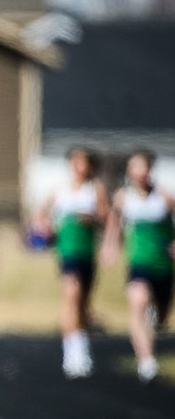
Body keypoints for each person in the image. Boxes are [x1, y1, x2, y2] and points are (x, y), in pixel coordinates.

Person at [33, 147, 108, 378]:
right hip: (67, 252)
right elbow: (40, 214)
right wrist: (46, 228)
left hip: (87, 252)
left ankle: (82, 347)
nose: (79, 166)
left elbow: (106, 217)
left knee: (83, 303)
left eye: (83, 162)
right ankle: (72, 353)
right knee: (71, 296)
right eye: (75, 162)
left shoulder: (95, 189)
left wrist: (92, 218)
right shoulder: (61, 190)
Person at [101, 149, 175, 383]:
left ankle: (157, 315)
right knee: (138, 300)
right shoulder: (123, 197)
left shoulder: (163, 196)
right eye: (135, 167)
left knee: (162, 318)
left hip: (163, 264)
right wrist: (110, 247)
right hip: (138, 262)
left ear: (150, 170)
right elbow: (114, 224)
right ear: (129, 171)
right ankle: (146, 360)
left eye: (143, 167)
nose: (139, 172)